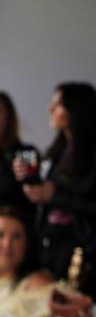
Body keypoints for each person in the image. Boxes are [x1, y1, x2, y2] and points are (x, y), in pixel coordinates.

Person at [13, 83, 96, 302]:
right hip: (50, 251)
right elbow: (45, 198)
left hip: (85, 258)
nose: (50, 108)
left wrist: (54, 196)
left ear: (77, 110)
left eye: (58, 104)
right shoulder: (57, 151)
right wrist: (28, 180)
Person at [0, 205, 55, 317]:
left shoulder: (36, 284)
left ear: (27, 245)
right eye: (0, 235)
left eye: (17, 236)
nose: (7, 244)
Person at [0, 92, 37, 221]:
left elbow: (33, 195)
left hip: (17, 225)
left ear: (9, 116)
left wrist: (28, 177)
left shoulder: (26, 152)